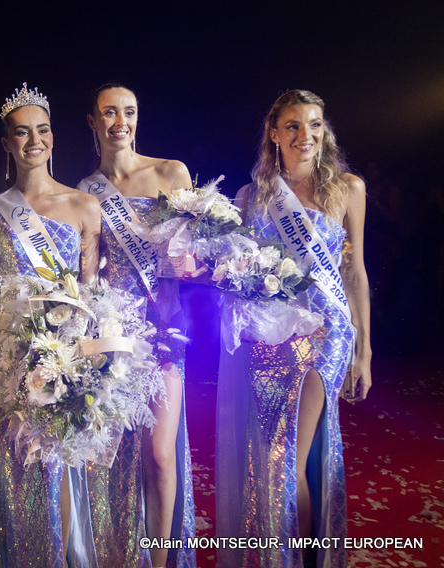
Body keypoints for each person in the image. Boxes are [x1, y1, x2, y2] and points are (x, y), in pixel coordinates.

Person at [215, 89, 372, 567]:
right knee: (266, 456)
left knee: (287, 456)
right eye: (294, 126)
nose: (306, 136)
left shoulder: (347, 189)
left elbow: (355, 272)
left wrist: (363, 351)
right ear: (274, 132)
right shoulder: (250, 196)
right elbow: (235, 269)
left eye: (315, 124)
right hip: (267, 338)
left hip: (325, 335)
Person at [0, 83, 102, 567]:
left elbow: (89, 296)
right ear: (7, 143)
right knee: (12, 476)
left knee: (59, 473)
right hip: (8, 365)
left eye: (43, 130)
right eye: (21, 132)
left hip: (62, 362)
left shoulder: (83, 206)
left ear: (53, 137)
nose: (34, 140)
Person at [77, 83, 196, 568]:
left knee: (160, 454)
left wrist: (196, 262)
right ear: (93, 121)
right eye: (109, 113)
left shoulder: (171, 172)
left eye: (128, 112)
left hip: (166, 327)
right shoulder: (85, 191)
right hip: (117, 333)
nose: (119, 122)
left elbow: (198, 249)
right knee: (117, 455)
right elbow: (88, 271)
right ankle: (122, 552)